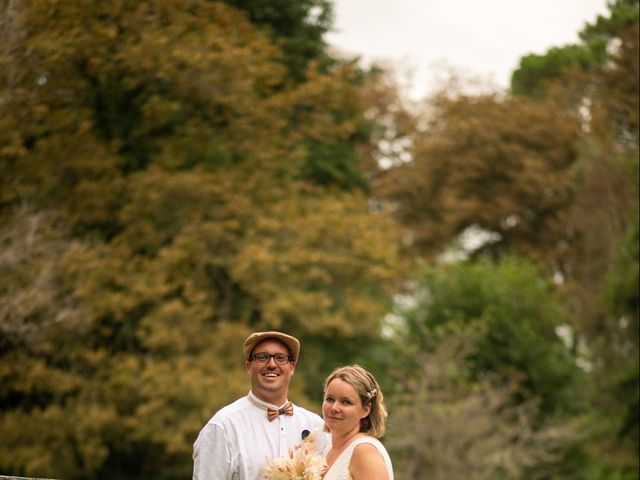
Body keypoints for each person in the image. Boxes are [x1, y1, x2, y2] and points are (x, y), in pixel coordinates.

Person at [193, 331, 328, 480]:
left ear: (292, 367)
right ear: (248, 366)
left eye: (280, 358)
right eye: (262, 357)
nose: (271, 364)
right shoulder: (223, 427)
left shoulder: (316, 425)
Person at [321, 364, 393, 480]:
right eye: (330, 399)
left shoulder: (365, 452)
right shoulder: (326, 449)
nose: (334, 408)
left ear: (365, 410)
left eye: (346, 402)